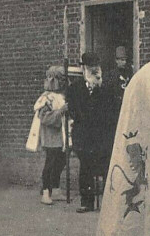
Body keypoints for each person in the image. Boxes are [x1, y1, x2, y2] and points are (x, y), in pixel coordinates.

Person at [66, 52, 117, 213]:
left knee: (105, 165)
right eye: (90, 68)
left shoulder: (106, 87)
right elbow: (73, 110)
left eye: (96, 68)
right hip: (84, 135)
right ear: (83, 69)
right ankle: (87, 201)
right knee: (86, 167)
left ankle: (109, 202)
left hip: (102, 135)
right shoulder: (74, 88)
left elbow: (112, 110)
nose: (94, 71)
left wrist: (99, 89)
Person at [30, 65, 68, 205]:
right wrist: (60, 112)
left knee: (61, 160)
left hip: (60, 133)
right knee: (50, 162)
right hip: (51, 134)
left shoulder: (61, 96)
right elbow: (44, 118)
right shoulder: (46, 98)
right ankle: (46, 191)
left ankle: (56, 189)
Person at [107, 45, 133, 117]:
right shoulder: (112, 75)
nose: (124, 62)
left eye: (125, 60)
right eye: (122, 60)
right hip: (116, 107)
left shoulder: (129, 73)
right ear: (116, 60)